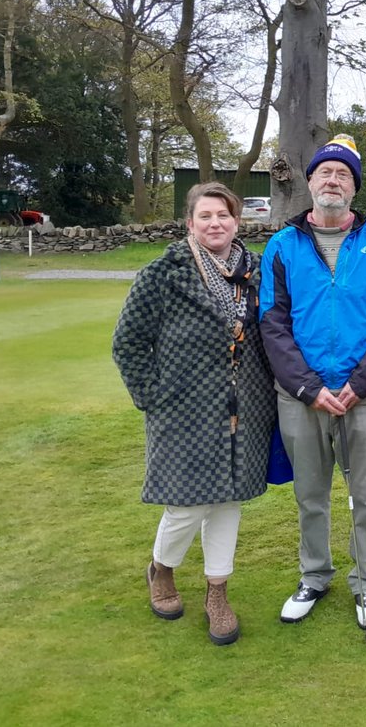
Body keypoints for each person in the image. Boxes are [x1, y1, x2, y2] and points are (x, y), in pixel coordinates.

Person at [259, 135, 366, 630]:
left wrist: (361, 383)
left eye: (343, 174)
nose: (332, 180)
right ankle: (314, 575)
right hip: (301, 397)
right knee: (310, 494)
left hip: (364, 396)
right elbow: (272, 323)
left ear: (354, 188)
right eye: (324, 172)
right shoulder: (282, 246)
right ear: (309, 182)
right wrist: (307, 387)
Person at [113, 181, 276, 646]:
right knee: (187, 504)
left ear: (237, 222)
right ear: (190, 223)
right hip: (182, 412)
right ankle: (161, 570)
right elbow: (128, 344)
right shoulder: (163, 274)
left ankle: (217, 592)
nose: (215, 224)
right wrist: (153, 396)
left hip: (247, 408)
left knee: (227, 502)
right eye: (205, 216)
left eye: (223, 216)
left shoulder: (258, 272)